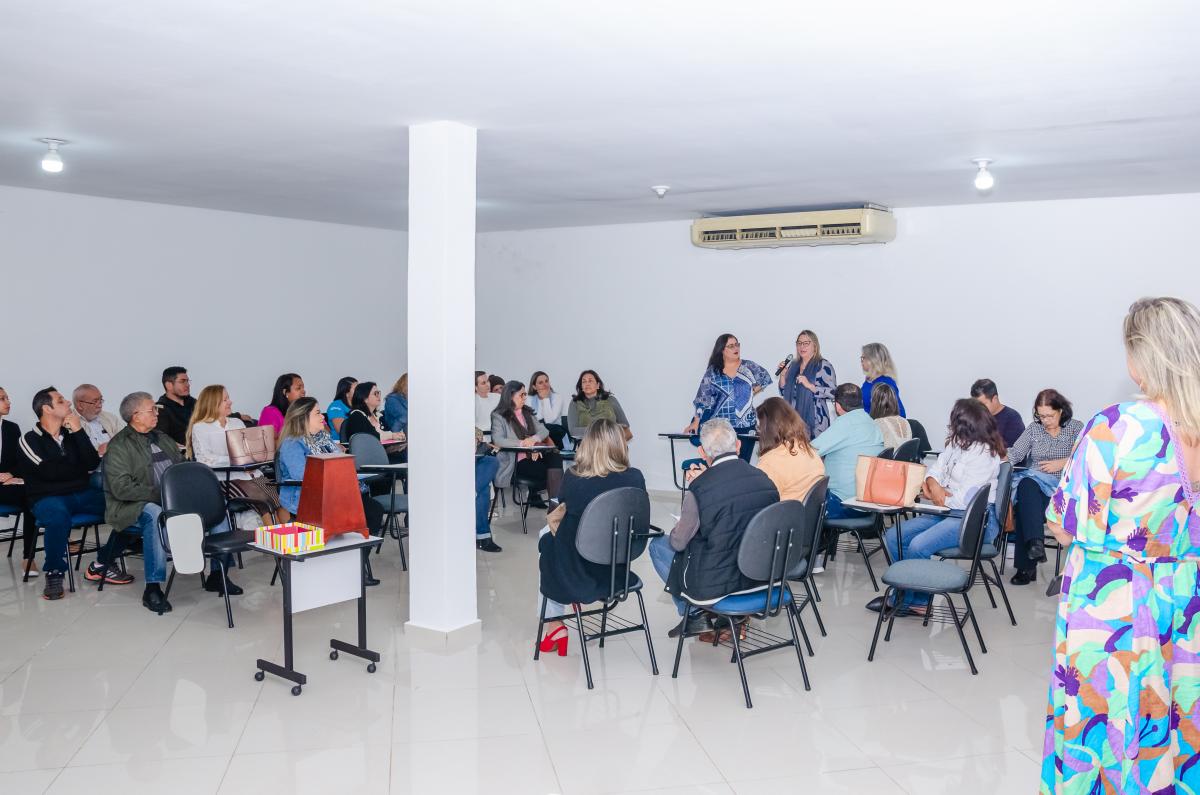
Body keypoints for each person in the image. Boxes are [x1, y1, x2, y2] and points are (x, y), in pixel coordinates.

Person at [1040, 296, 1200, 793]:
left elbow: (1064, 523)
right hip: (1184, 604)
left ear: (1138, 357)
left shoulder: (1116, 426)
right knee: (1174, 723)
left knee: (1106, 729)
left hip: (1113, 606)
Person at [103, 391, 243, 612]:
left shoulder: (161, 437)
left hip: (175, 500)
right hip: (132, 506)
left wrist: (189, 491)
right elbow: (121, 488)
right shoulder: (119, 446)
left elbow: (182, 468)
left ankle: (218, 575)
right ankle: (152, 588)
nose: (157, 413)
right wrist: (164, 496)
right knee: (155, 514)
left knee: (218, 508)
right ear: (136, 416)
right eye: (152, 409)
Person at [868, 399, 1005, 614]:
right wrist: (935, 486)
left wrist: (937, 495)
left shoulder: (984, 454)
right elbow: (934, 471)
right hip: (949, 511)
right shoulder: (958, 443)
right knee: (894, 536)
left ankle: (914, 601)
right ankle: (908, 597)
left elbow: (964, 500)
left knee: (918, 546)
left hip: (974, 520)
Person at [648, 419, 779, 640]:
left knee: (658, 545)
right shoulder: (765, 480)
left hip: (719, 581)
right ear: (738, 445)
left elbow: (678, 543)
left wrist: (693, 498)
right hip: (762, 575)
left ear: (701, 451)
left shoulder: (700, 488)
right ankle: (730, 619)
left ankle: (696, 614)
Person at [536, 419, 646, 654]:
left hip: (578, 572)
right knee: (553, 538)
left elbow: (563, 508)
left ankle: (554, 625)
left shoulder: (574, 478)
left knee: (545, 540)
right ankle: (555, 624)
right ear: (620, 445)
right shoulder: (636, 478)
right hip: (616, 572)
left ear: (587, 445)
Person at [278, 397, 384, 584]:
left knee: (373, 510)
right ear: (303, 418)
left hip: (334, 494)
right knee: (361, 514)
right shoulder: (292, 444)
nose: (323, 417)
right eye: (318, 413)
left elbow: (341, 463)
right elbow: (302, 475)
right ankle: (347, 571)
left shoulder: (324, 439)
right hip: (309, 499)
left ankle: (355, 567)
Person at [17, 386, 103, 601]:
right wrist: (77, 470)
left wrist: (79, 432)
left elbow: (92, 463)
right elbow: (48, 472)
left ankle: (104, 562)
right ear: (47, 408)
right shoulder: (29, 439)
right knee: (57, 516)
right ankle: (54, 572)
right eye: (62, 400)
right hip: (47, 498)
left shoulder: (72, 434)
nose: (69, 403)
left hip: (81, 493)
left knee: (121, 506)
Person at [1006, 388, 1085, 585]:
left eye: (1050, 416)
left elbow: (1086, 456)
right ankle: (1036, 544)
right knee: (1026, 485)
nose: (1046, 421)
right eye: (1041, 416)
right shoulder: (1034, 429)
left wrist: (1063, 463)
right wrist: (992, 460)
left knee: (1025, 507)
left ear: (1061, 411)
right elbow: (1015, 454)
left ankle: (1027, 566)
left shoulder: (1076, 427)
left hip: (1062, 491)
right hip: (1035, 487)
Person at [186, 384, 286, 526]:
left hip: (252, 473)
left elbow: (248, 451)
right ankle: (277, 537)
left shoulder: (237, 422)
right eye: (225, 400)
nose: (230, 402)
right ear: (213, 403)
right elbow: (205, 460)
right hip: (226, 478)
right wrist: (237, 460)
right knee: (263, 503)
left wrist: (252, 459)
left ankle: (291, 536)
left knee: (278, 501)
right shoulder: (201, 428)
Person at [685, 333, 772, 462]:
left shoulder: (749, 366)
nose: (736, 348)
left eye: (737, 345)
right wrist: (696, 422)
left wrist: (750, 392)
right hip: (721, 428)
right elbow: (703, 398)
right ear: (722, 350)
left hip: (746, 426)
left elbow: (765, 378)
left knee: (742, 464)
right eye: (731, 346)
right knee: (721, 463)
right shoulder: (713, 371)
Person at [812, 384, 885, 521]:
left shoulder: (845, 424)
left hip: (843, 504)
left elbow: (810, 452)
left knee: (797, 501)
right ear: (861, 401)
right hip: (869, 503)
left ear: (837, 406)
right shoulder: (871, 422)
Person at [491, 380, 564, 505]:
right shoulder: (498, 415)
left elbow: (544, 431)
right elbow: (498, 440)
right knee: (546, 471)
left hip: (533, 454)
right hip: (515, 460)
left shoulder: (527, 412)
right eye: (522, 395)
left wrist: (533, 440)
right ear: (510, 396)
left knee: (555, 457)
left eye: (525, 394)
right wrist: (523, 443)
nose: (525, 397)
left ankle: (555, 504)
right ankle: (551, 501)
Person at [754, 397, 825, 501]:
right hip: (805, 510)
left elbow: (759, 501)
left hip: (784, 510)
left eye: (760, 425)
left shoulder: (770, 462)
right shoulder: (808, 449)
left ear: (767, 428)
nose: (759, 430)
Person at [0, 386, 38, 576]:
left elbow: (22, 460)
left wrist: (11, 474)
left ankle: (28, 558)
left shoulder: (11, 428)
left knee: (31, 496)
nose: (8, 402)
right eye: (2, 398)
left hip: (8, 484)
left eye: (7, 398)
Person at [777, 329, 838, 438]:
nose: (802, 346)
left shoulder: (823, 365)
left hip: (816, 422)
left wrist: (810, 386)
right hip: (793, 421)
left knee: (814, 449)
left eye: (806, 343)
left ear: (815, 346)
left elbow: (833, 393)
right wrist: (782, 375)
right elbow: (783, 391)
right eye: (799, 343)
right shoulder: (793, 365)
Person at [567, 370, 632, 442]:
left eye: (590, 381)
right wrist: (600, 431)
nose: (587, 384)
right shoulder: (575, 403)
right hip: (587, 443)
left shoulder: (610, 400)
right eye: (584, 382)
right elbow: (573, 431)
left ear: (598, 385)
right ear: (581, 386)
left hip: (611, 442)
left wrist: (611, 436)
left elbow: (625, 426)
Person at [970, 378, 1025, 448]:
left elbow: (1017, 451)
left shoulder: (1013, 418)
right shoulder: (975, 417)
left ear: (995, 399)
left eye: (983, 404)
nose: (979, 408)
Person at [71, 384, 124, 456]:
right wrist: (98, 450)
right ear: (80, 405)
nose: (100, 405)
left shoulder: (110, 417)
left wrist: (112, 445)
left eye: (100, 400)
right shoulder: (69, 422)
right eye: (95, 401)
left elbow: (126, 439)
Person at [860, 343, 905, 419]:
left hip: (878, 425)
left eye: (863, 358)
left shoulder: (886, 383)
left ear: (873, 360)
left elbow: (899, 415)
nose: (861, 361)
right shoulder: (868, 381)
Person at [474, 428, 501, 552]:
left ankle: (473, 491)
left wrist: (476, 437)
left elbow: (476, 431)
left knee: (491, 461)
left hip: (475, 460)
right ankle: (483, 538)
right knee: (483, 490)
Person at [155, 366, 195, 447]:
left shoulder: (195, 403)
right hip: (180, 453)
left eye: (187, 381)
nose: (187, 385)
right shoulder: (160, 409)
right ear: (169, 385)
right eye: (182, 381)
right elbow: (162, 440)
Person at [528, 371, 568, 448]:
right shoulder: (529, 399)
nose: (545, 384)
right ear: (534, 387)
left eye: (546, 381)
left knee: (545, 428)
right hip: (538, 432)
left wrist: (545, 398)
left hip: (555, 432)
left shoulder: (558, 397)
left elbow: (549, 420)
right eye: (540, 382)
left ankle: (552, 450)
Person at [870, 382, 912, 450]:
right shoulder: (905, 422)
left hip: (888, 457)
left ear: (875, 402)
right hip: (907, 457)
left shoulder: (877, 423)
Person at [326, 376, 357, 442]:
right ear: (346, 393)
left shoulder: (358, 405)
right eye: (356, 389)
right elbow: (342, 431)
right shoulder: (336, 406)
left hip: (357, 441)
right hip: (340, 443)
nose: (359, 391)